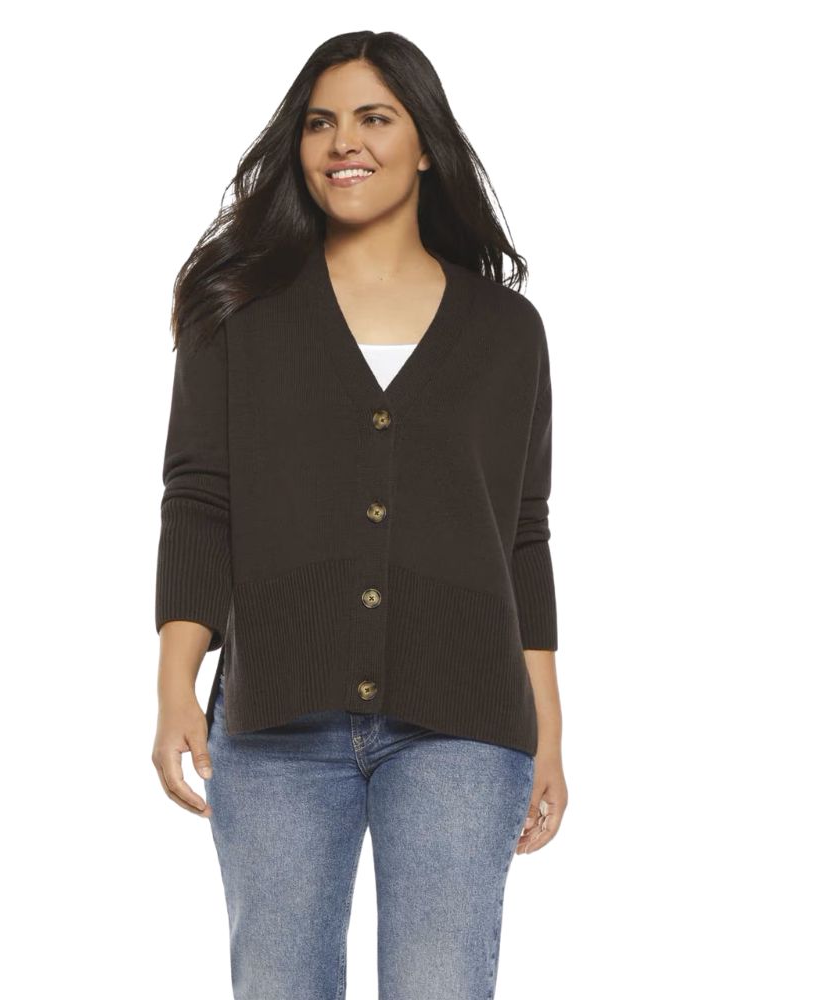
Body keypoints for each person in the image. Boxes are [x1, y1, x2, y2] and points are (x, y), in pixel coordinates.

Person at [151, 30, 568, 1000]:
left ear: (424, 146)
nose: (345, 142)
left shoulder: (506, 331)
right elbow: (199, 500)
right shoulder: (235, 310)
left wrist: (548, 728)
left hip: (464, 723)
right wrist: (177, 683)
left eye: (375, 118)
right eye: (320, 123)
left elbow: (522, 533)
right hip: (273, 721)